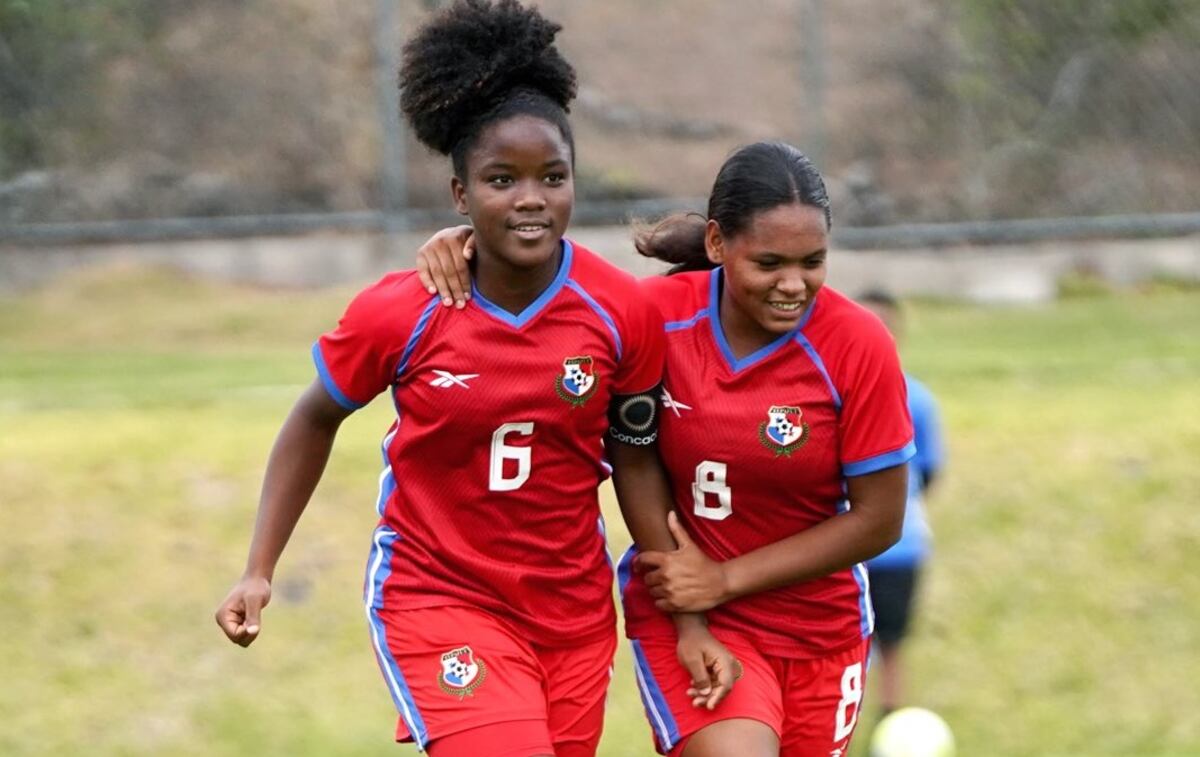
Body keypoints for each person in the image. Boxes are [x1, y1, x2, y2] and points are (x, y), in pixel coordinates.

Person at [213, 2, 735, 755]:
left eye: (552, 177)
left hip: (571, 611)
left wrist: (688, 616)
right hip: (439, 595)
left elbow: (635, 460)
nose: (530, 198)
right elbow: (313, 417)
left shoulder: (620, 313)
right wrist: (258, 569)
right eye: (501, 179)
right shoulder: (402, 312)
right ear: (461, 196)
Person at [415, 141, 915, 757]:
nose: (793, 284)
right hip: (695, 617)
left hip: (819, 630)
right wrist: (464, 242)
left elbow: (879, 519)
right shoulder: (650, 318)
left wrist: (725, 578)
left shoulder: (858, 343)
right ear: (715, 245)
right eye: (768, 263)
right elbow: (626, 438)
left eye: (813, 261)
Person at [857, 289, 945, 717]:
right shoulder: (829, 394)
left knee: (891, 643)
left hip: (898, 550)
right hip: (836, 549)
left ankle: (887, 728)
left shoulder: (918, 399)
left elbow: (928, 470)